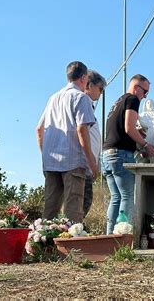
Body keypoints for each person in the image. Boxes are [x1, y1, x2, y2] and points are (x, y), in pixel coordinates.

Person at [36, 61, 98, 223]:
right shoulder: (81, 97)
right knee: (73, 209)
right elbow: (82, 130)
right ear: (83, 78)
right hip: (73, 162)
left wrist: (46, 155)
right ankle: (71, 247)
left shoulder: (53, 98)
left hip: (51, 162)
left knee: (50, 209)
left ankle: (43, 245)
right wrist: (92, 163)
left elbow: (39, 129)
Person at [102, 74, 154, 234]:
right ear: (136, 87)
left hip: (107, 154)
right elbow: (129, 128)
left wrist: (136, 133)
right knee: (127, 196)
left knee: (116, 198)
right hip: (120, 155)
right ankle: (122, 239)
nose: (145, 96)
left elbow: (122, 130)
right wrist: (145, 145)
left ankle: (109, 237)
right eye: (145, 91)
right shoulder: (132, 99)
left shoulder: (118, 101)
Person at [83, 70, 106, 217]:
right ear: (89, 85)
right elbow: (82, 132)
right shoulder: (83, 101)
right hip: (83, 164)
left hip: (88, 164)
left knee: (85, 202)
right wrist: (92, 163)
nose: (101, 93)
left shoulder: (88, 105)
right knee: (82, 203)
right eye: (100, 88)